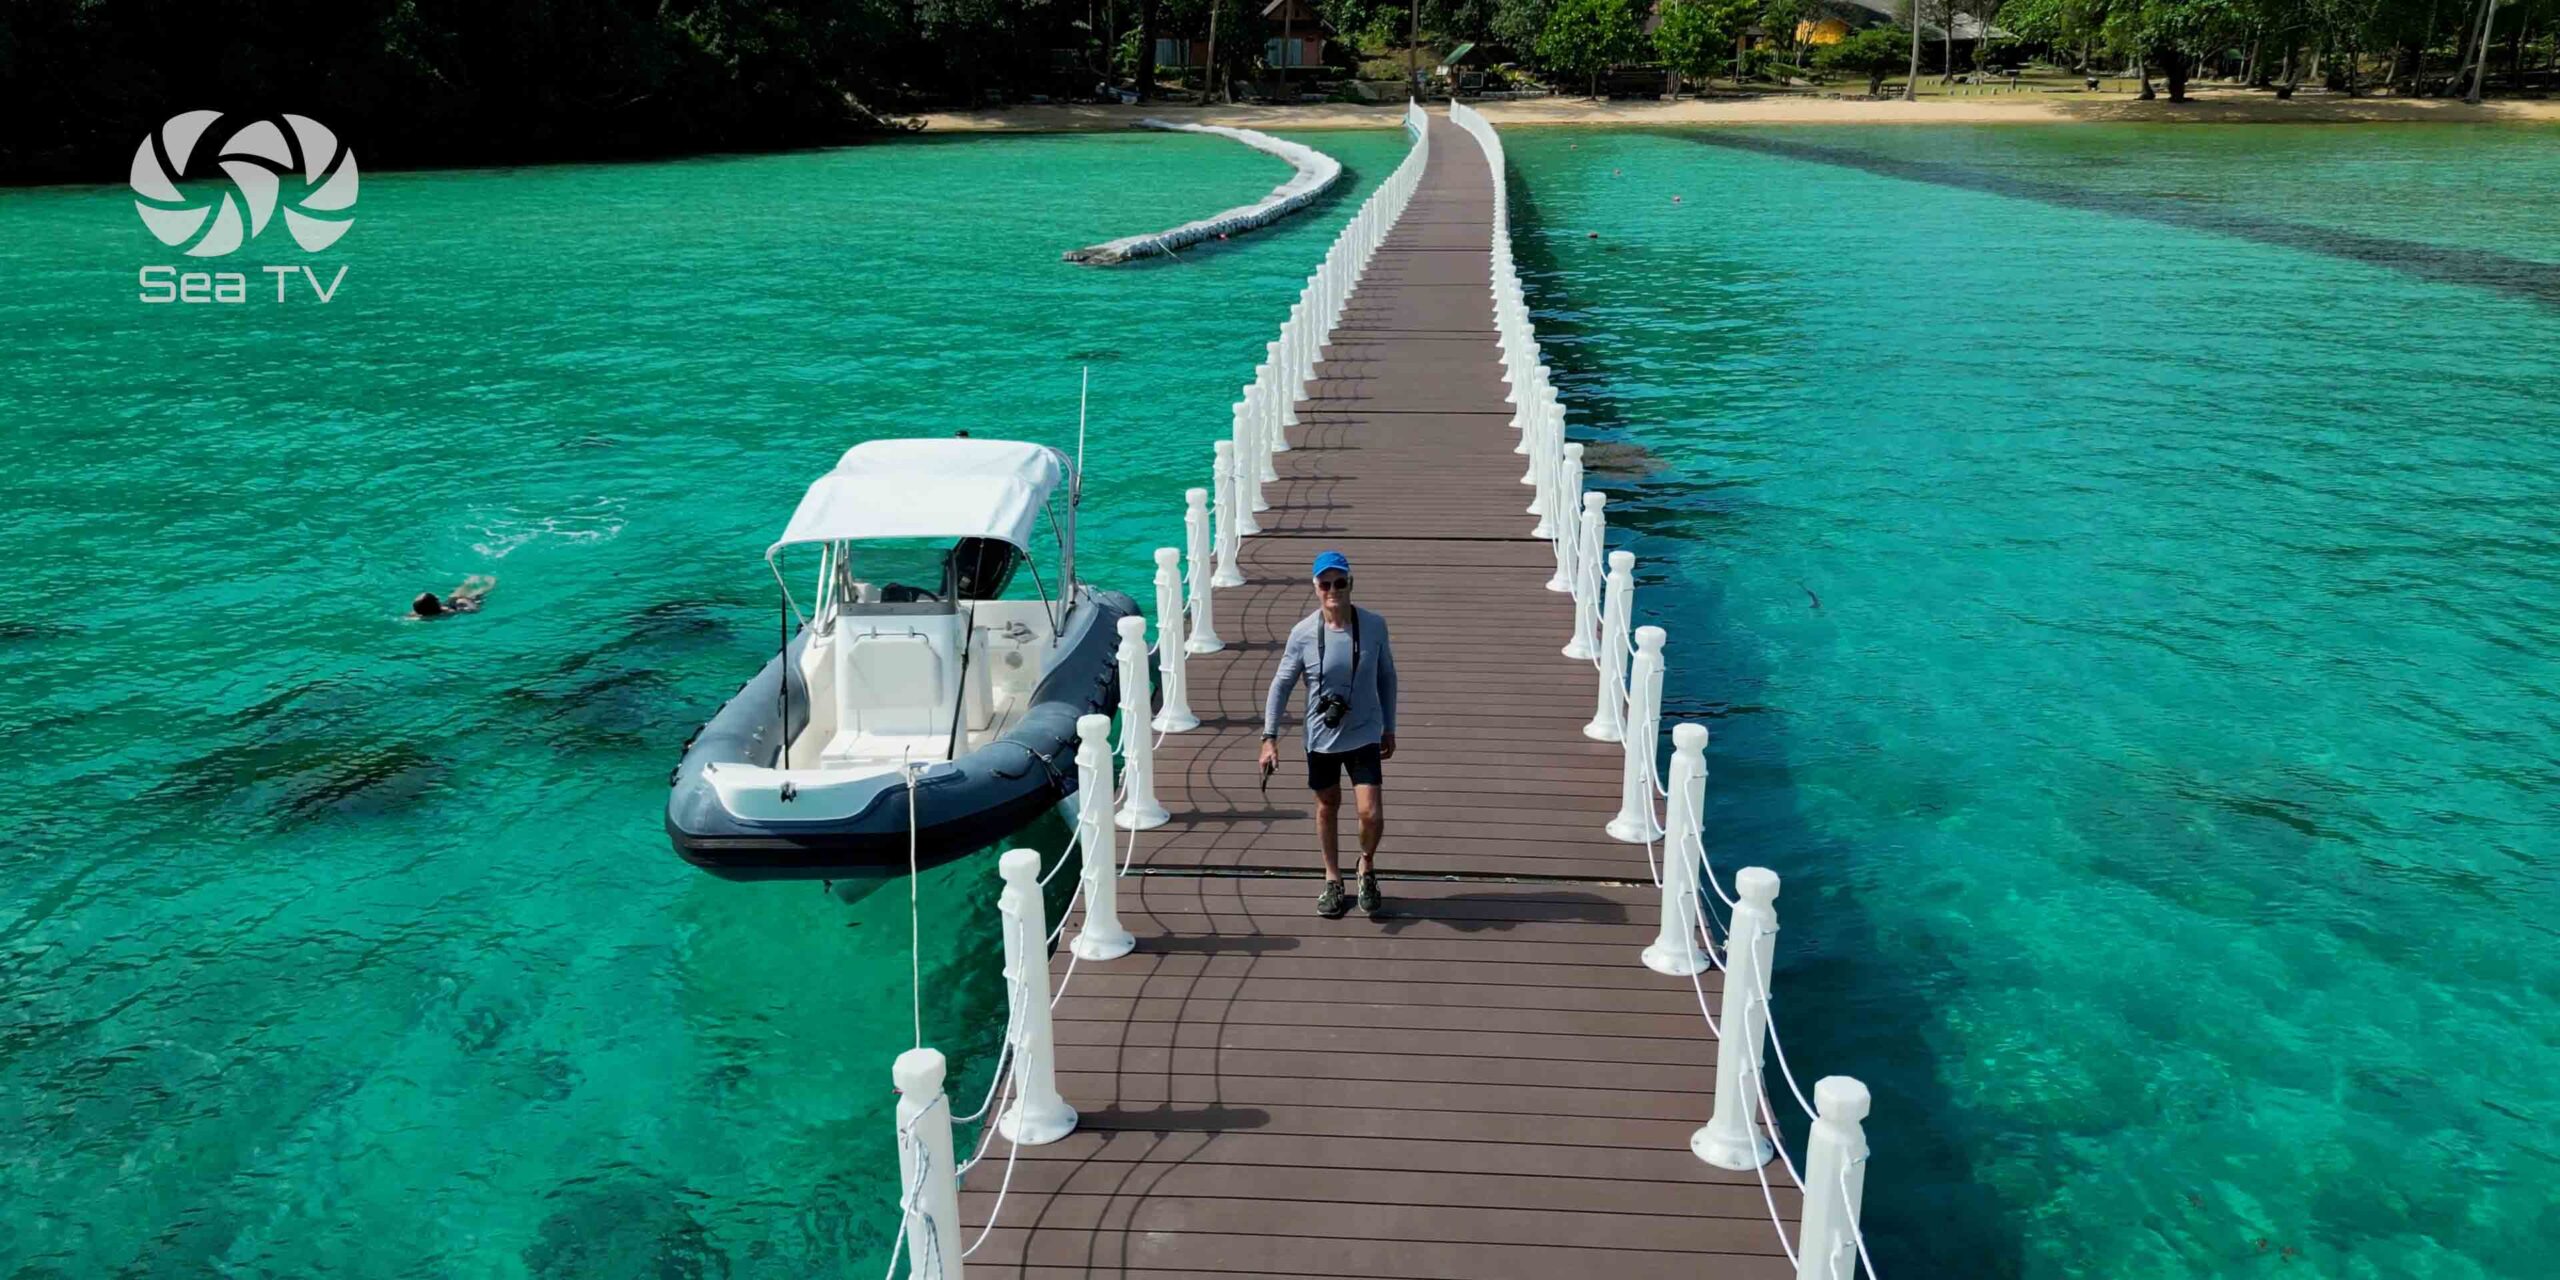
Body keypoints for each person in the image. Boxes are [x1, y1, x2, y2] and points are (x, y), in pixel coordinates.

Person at [1258, 550, 1398, 918]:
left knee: (1370, 814)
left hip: (1366, 732)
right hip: (1322, 737)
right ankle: (1332, 878)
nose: (1332, 590)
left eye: (1339, 582)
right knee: (1328, 805)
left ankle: (1365, 864)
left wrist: (1390, 726)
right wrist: (1269, 738)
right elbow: (1281, 684)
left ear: (1351, 583)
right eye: (1325, 584)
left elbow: (1387, 676)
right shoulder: (1303, 634)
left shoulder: (1374, 625)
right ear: (1316, 588)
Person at [413, 574, 495, 619]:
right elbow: (474, 610)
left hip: (449, 604)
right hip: (461, 604)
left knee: (455, 596)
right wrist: (465, 602)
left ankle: (470, 583)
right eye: (436, 598)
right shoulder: (448, 612)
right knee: (478, 595)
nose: (438, 596)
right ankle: (490, 583)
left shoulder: (421, 615)